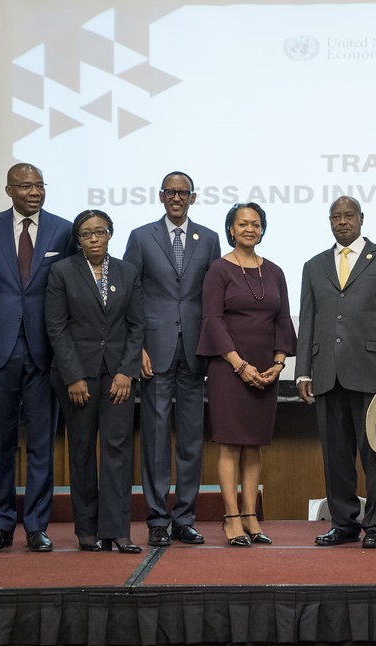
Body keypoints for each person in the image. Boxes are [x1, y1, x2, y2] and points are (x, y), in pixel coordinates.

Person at [295, 196, 376, 549]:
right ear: (329, 222)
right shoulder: (313, 266)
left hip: (375, 375)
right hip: (327, 374)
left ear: (362, 218)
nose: (342, 222)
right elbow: (309, 319)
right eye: (336, 217)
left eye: (349, 216)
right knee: (336, 456)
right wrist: (302, 372)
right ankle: (343, 523)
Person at [0, 163, 74, 554]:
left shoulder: (63, 230)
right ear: (9, 190)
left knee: (42, 444)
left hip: (45, 351)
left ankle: (36, 526)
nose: (34, 192)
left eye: (39, 185)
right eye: (25, 186)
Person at [124, 171, 220, 547]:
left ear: (193, 198)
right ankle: (157, 519)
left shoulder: (209, 239)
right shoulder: (141, 237)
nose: (177, 198)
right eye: (171, 192)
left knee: (192, 439)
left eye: (183, 193)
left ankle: (184, 517)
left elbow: (212, 297)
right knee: (156, 437)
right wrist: (138, 349)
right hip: (154, 351)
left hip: (195, 351)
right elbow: (130, 295)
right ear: (161, 197)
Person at [197, 203, 296, 547]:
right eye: (243, 224)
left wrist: (280, 363)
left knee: (254, 446)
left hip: (265, 369)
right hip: (228, 369)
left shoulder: (275, 271)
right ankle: (231, 518)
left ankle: (252, 516)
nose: (249, 229)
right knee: (230, 445)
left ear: (262, 230)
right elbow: (212, 321)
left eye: (255, 224)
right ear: (231, 230)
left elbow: (283, 320)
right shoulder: (218, 270)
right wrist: (239, 365)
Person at [45, 210, 144, 553]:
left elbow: (137, 326)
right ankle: (87, 530)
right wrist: (73, 375)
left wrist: (126, 371)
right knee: (83, 450)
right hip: (77, 379)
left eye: (100, 232)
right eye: (86, 234)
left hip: (118, 376)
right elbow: (56, 327)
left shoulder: (127, 272)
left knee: (117, 451)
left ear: (110, 234)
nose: (94, 238)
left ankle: (117, 531)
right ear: (78, 239)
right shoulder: (61, 272)